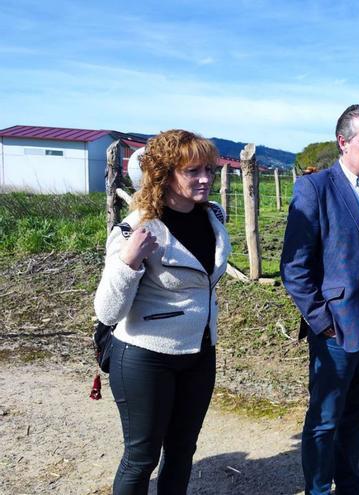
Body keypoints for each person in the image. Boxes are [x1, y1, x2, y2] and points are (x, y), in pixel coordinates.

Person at [280, 104, 359, 495]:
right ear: (343, 142)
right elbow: (295, 268)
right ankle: (319, 489)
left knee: (357, 415)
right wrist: (322, 323)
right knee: (325, 418)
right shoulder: (315, 188)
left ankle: (350, 484)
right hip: (337, 329)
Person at [94, 129, 230, 494]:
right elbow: (107, 311)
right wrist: (128, 262)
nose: (205, 179)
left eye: (209, 170)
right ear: (165, 174)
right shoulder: (135, 229)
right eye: (193, 171)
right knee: (141, 458)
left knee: (183, 450)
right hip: (145, 357)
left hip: (200, 353)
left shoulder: (213, 216)